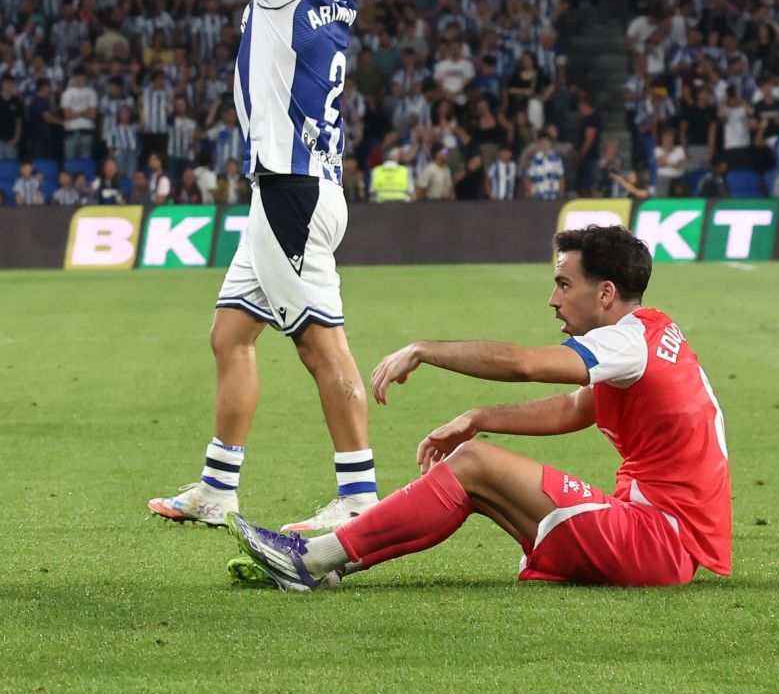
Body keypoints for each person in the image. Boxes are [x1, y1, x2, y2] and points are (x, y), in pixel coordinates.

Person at [228, 225, 730, 591]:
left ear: (605, 293)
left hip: (658, 542)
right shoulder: (650, 334)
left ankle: (311, 558)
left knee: (473, 464)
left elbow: (527, 365)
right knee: (473, 473)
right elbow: (574, 410)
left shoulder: (628, 342)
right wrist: (479, 418)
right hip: (658, 537)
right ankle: (330, 564)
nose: (553, 300)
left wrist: (425, 349)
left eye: (563, 284)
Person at [149, 0, 381, 536]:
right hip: (293, 192)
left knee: (320, 345)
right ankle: (218, 489)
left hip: (292, 195)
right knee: (231, 335)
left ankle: (360, 495)